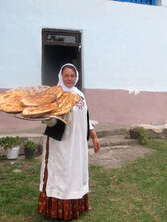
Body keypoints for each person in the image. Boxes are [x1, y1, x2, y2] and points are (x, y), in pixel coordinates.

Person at [37, 63, 100, 221]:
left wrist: (93, 135)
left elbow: (85, 118)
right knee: (62, 173)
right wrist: (47, 118)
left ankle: (80, 204)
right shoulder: (55, 95)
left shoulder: (80, 95)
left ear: (76, 77)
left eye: (72, 75)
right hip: (61, 143)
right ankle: (58, 209)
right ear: (61, 76)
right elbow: (51, 122)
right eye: (66, 75)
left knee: (77, 172)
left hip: (78, 143)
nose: (69, 78)